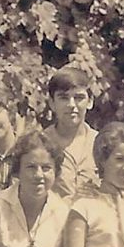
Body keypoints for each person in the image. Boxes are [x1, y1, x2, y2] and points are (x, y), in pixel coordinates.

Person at [45, 68, 99, 201]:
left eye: (79, 97)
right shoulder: (41, 143)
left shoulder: (102, 143)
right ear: (52, 103)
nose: (71, 105)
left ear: (90, 101)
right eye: (63, 98)